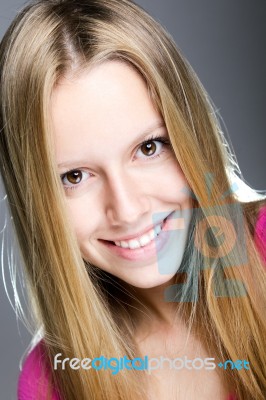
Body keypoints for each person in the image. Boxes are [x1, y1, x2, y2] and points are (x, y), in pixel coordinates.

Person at [0, 0, 265, 399]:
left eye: (149, 147)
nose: (127, 210)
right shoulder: (50, 384)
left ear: (189, 133)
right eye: (74, 177)